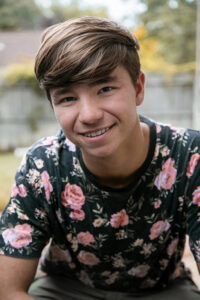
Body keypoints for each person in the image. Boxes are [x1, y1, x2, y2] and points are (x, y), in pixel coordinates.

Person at [0, 16, 199, 300]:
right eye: (67, 98)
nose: (90, 115)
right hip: (64, 289)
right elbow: (8, 291)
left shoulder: (189, 155)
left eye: (105, 89)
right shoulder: (41, 165)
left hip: (162, 290)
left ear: (138, 88)